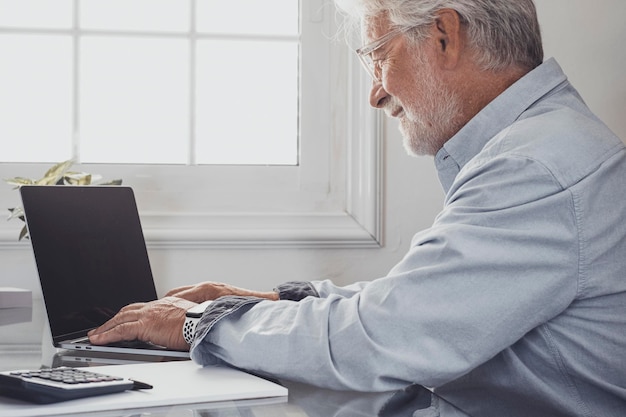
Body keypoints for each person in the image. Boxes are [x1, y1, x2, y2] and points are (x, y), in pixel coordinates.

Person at [88, 1, 626, 416]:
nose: (374, 94)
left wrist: (197, 325)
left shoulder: (535, 166)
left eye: (378, 55)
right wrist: (266, 300)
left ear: (444, 34)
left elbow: (382, 336)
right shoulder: (544, 147)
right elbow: (419, 305)